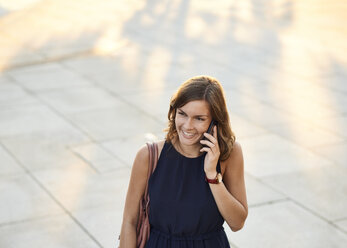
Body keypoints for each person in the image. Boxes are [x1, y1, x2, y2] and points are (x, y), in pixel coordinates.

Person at [119, 75, 248, 247]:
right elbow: (129, 221)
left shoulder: (230, 154)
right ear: (174, 112)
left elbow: (237, 223)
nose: (187, 125)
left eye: (199, 118)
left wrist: (212, 176)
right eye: (182, 114)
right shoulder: (148, 156)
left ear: (215, 122)